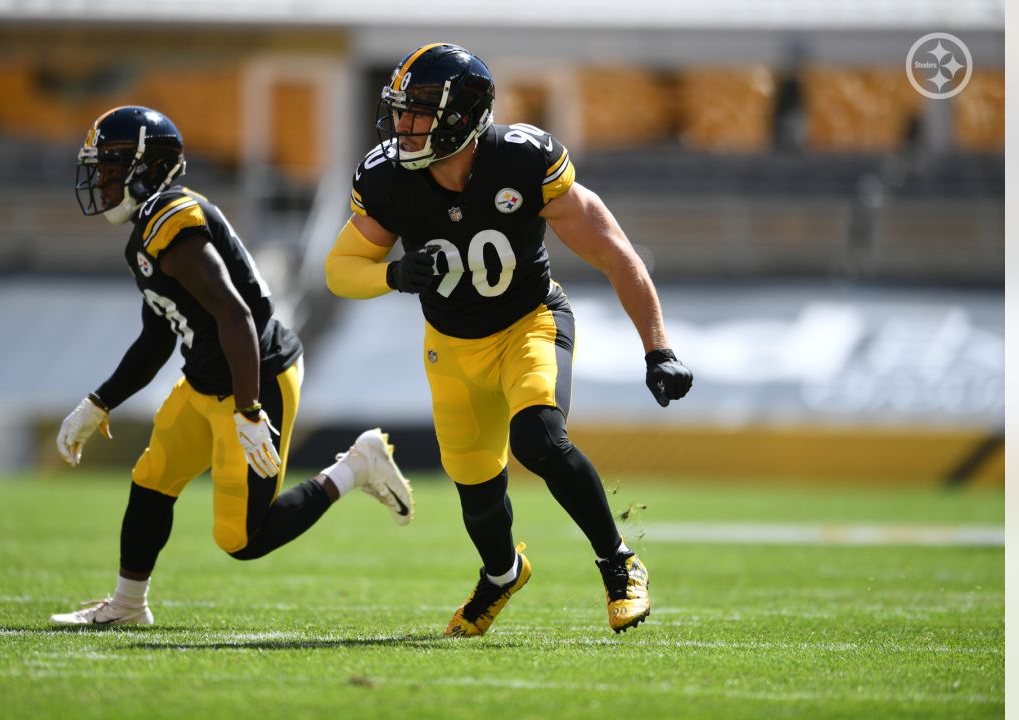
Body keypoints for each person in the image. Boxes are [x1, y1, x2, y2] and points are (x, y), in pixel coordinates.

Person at [325, 44, 693, 636]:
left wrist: (659, 348)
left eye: (419, 111)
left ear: (463, 118)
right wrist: (389, 274)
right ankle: (502, 575)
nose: (404, 125)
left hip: (530, 321)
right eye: (400, 110)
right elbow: (340, 268)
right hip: (450, 344)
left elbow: (612, 249)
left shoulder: (523, 160)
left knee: (539, 439)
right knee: (476, 489)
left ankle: (619, 561)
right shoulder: (389, 176)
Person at [51, 105, 414, 626]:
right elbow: (157, 336)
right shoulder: (148, 234)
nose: (102, 183)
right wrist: (98, 402)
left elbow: (235, 314)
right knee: (152, 478)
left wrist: (248, 409)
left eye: (111, 170)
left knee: (241, 538)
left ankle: (356, 465)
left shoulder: (174, 224)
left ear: (147, 169)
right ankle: (128, 607)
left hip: (257, 375)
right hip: (206, 378)